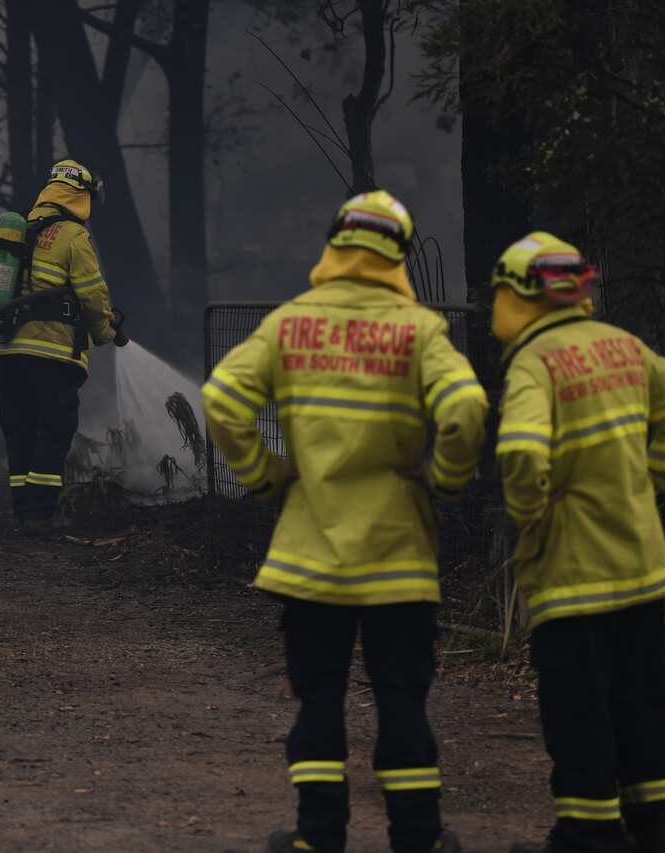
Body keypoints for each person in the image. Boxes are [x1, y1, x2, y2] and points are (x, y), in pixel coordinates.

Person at [202, 191, 486, 853]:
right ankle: (419, 837)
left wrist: (267, 474)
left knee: (320, 698)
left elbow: (221, 397)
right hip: (398, 556)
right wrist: (443, 480)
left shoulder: (290, 323)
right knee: (402, 702)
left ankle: (317, 834)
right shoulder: (419, 329)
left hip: (310, 555)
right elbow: (466, 407)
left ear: (334, 240)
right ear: (400, 251)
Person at [492, 233, 665, 853]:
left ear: (518, 293)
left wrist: (532, 519)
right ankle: (651, 833)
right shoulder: (625, 347)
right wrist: (648, 478)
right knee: (643, 703)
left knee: (579, 709)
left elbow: (519, 451)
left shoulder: (535, 361)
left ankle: (587, 837)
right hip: (642, 572)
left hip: (571, 578)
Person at [0, 159, 128, 533]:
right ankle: (41, 515)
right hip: (50, 353)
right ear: (80, 195)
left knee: (19, 430)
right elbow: (92, 293)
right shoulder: (72, 235)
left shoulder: (18, 228)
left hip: (5, 352)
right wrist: (105, 331)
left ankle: (23, 512)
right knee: (53, 430)